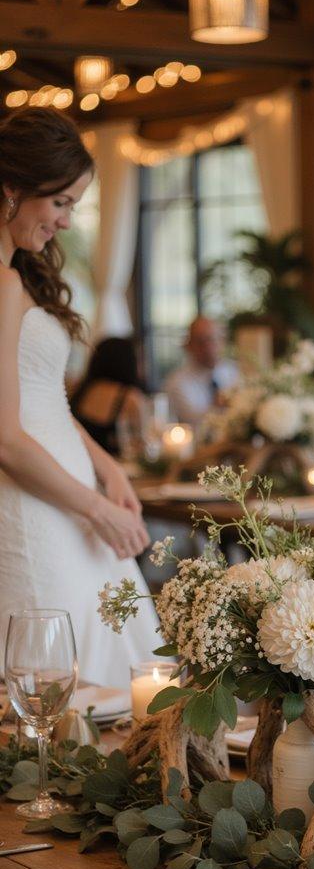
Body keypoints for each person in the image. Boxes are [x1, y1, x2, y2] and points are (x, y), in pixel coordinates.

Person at [0, 107, 158, 688]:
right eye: (59, 202)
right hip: (34, 502)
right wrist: (95, 509)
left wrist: (106, 467)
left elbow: (45, 402)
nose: (65, 222)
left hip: (68, 491)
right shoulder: (2, 282)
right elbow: (6, 438)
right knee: (61, 679)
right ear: (13, 189)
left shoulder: (16, 272)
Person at [71, 337, 146, 456]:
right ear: (128, 362)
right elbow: (141, 444)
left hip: (77, 462)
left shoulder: (77, 389)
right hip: (114, 467)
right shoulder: (131, 398)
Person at [163, 315, 238, 425]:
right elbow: (193, 422)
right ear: (188, 346)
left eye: (212, 339)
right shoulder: (177, 382)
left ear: (222, 342)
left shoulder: (233, 371)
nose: (208, 348)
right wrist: (218, 407)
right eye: (200, 342)